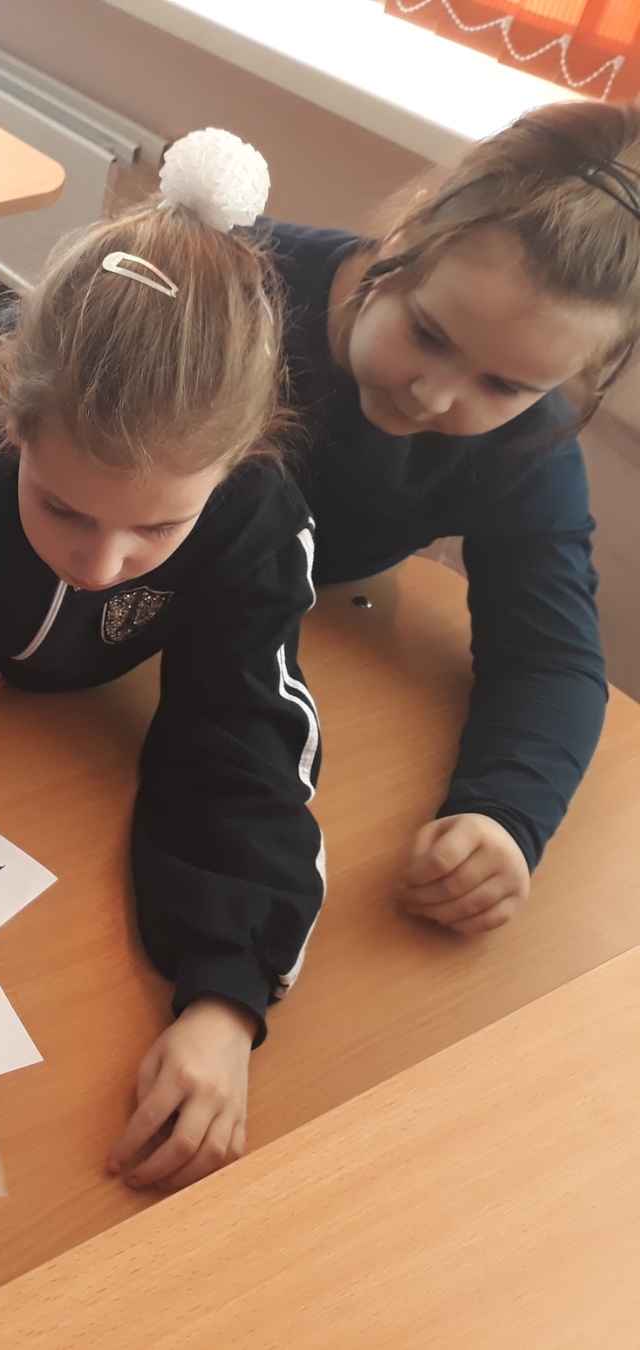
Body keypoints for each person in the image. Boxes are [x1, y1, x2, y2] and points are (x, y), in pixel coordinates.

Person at [0, 131, 323, 1194]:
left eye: (156, 529)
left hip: (44, 792)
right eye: (62, 508)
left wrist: (225, 994)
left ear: (231, 469)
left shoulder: (253, 522)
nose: (101, 566)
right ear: (10, 418)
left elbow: (240, 739)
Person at [260, 101, 638, 935]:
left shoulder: (525, 448)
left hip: (271, 662)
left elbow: (551, 660)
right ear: (405, 238)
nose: (433, 396)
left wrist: (503, 817)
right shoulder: (233, 281)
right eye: (428, 334)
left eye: (504, 386)